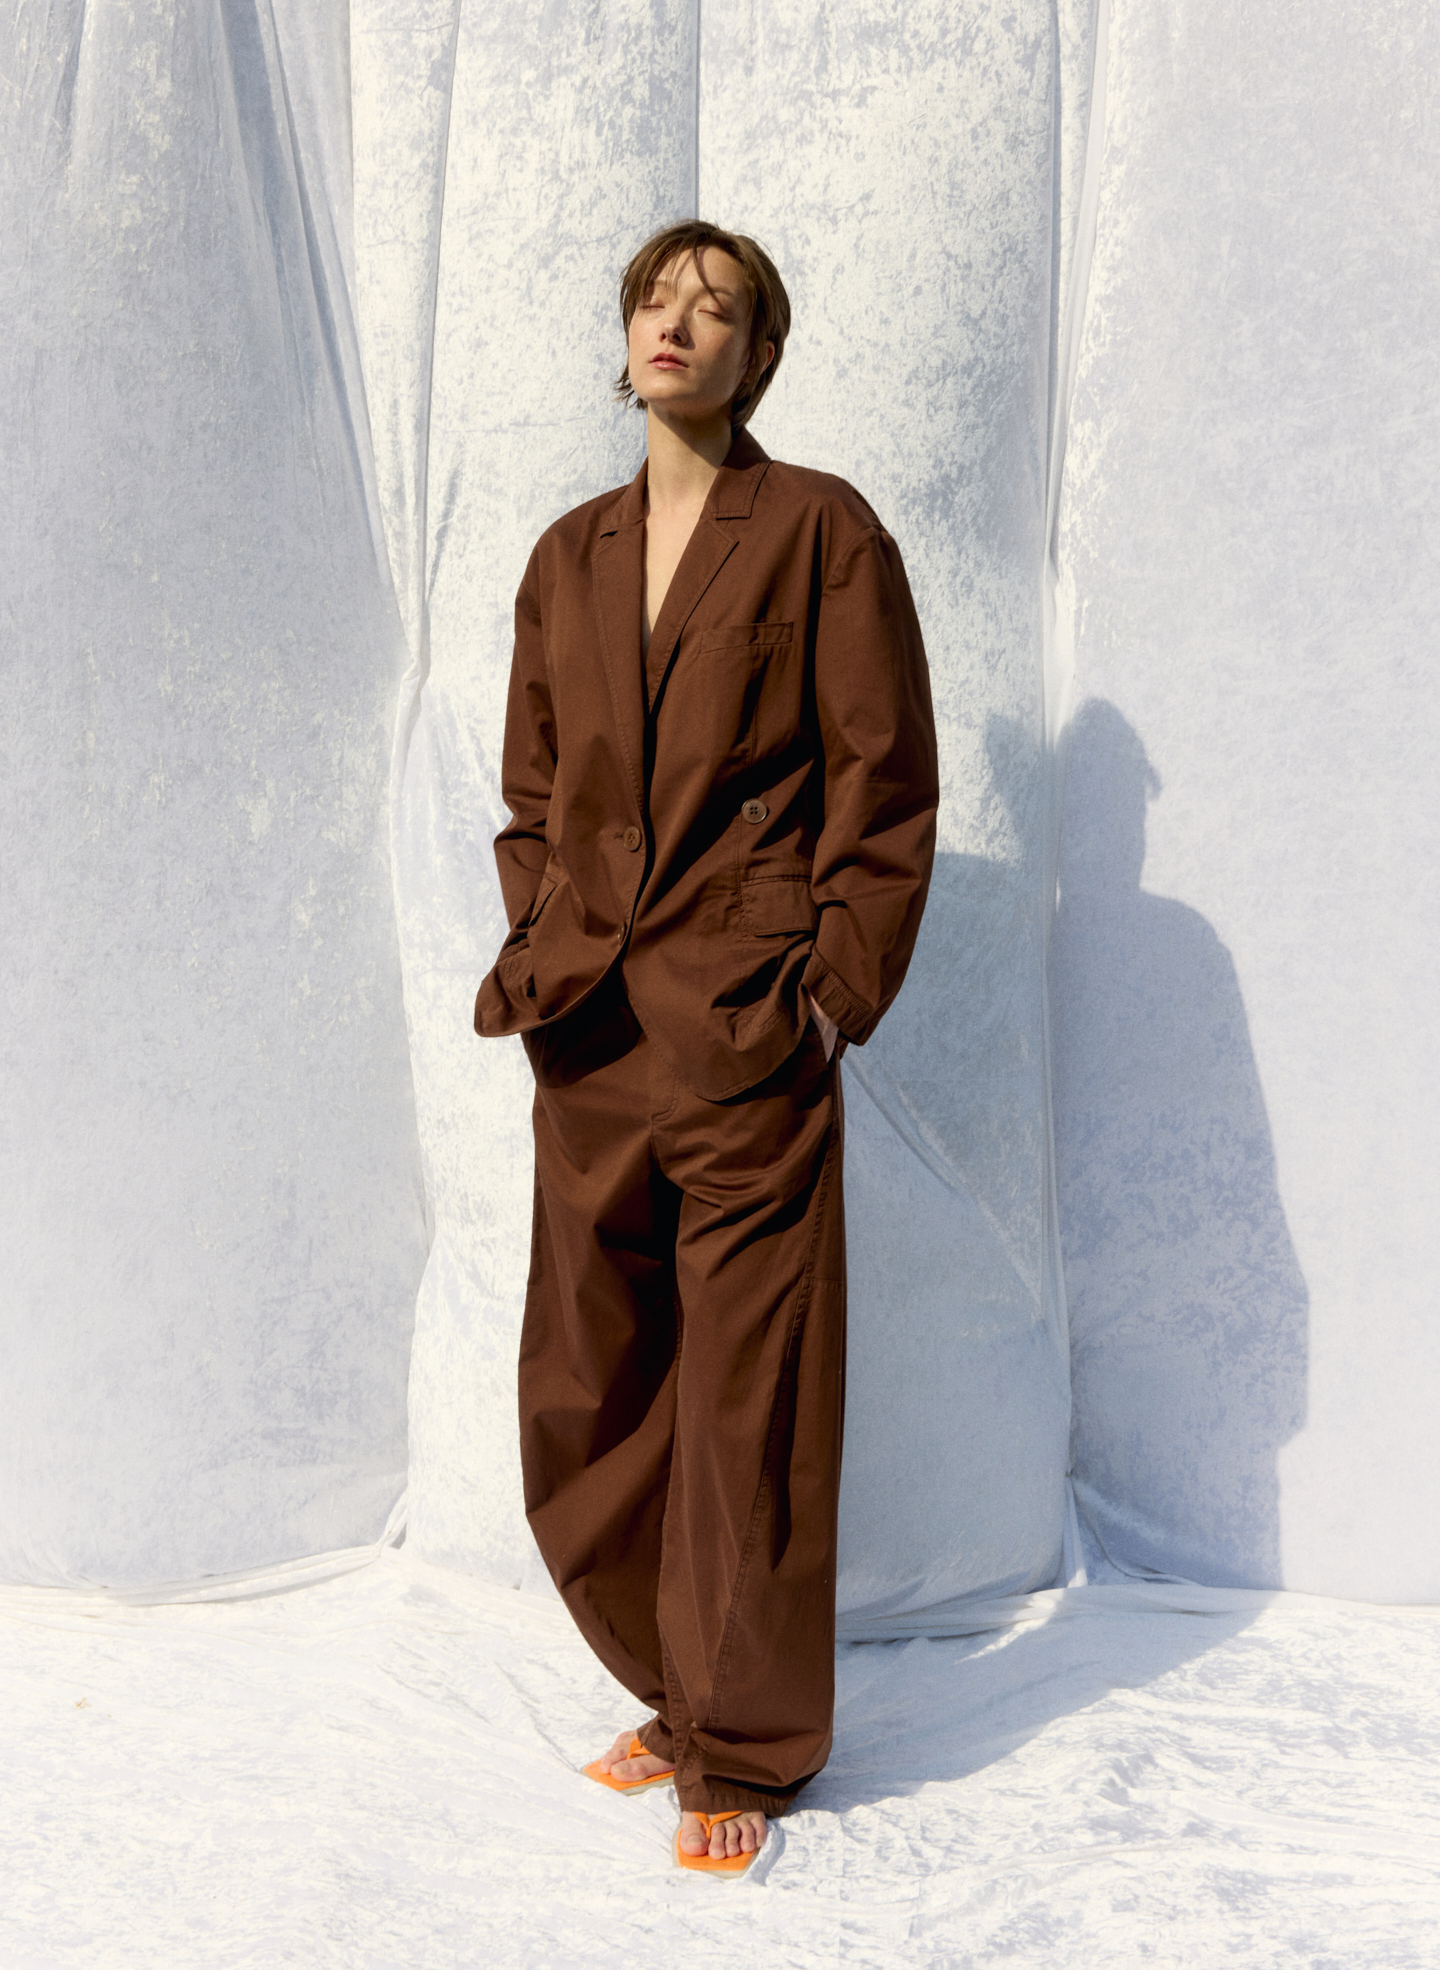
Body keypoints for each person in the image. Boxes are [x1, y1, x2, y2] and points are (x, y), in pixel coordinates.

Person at [474, 220, 938, 1875]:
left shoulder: (821, 530)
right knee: (587, 1387)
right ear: (627, 337)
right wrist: (543, 948)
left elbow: (883, 780)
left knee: (749, 1390)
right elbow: (535, 794)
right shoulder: (566, 555)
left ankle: (740, 1741)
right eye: (656, 298)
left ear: (760, 355)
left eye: (718, 304)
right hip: (591, 1033)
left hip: (748, 1026)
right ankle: (677, 1685)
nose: (679, 320)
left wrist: (828, 991)